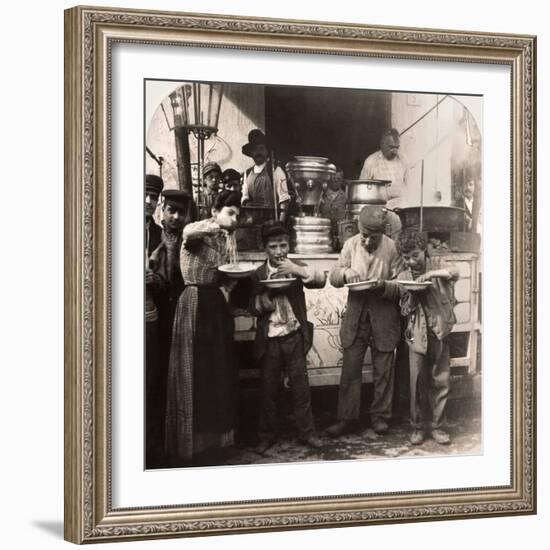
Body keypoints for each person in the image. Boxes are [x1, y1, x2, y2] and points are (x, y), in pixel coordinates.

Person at [164, 190, 241, 464]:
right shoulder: (197, 234)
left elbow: (229, 275)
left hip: (216, 307)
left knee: (218, 371)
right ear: (215, 212)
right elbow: (187, 232)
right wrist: (217, 223)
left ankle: (217, 442)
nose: (235, 219)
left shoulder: (226, 242)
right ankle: (191, 445)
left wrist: (228, 290)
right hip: (194, 303)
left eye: (237, 215)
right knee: (196, 370)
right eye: (230, 212)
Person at [249, 221, 326, 454]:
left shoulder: (296, 267)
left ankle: (307, 432)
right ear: (265, 249)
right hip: (271, 339)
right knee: (269, 391)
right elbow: (251, 306)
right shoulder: (259, 274)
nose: (280, 251)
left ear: (289, 245)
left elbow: (320, 280)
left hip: (294, 336)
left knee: (301, 390)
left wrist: (298, 270)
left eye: (283, 245)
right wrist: (264, 302)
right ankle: (266, 435)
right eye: (273, 246)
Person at [326, 205, 403, 437]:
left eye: (373, 237)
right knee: (350, 369)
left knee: (384, 371)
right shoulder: (350, 245)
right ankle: (346, 419)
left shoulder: (393, 248)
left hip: (384, 317)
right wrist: (345, 273)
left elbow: (402, 286)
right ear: (359, 230)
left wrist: (383, 287)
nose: (367, 241)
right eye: (364, 236)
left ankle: (380, 417)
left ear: (383, 232)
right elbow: (334, 275)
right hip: (356, 316)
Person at [395, 228, 459, 445]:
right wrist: (412, 296)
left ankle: (438, 426)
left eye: (416, 255)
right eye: (406, 258)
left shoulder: (437, 265)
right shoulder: (403, 276)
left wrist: (431, 275)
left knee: (441, 380)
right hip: (416, 335)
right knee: (417, 382)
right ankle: (418, 427)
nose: (412, 262)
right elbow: (404, 311)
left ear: (424, 251)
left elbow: (454, 273)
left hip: (440, 331)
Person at [146, 190, 193, 467]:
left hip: (182, 313)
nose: (176, 217)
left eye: (181, 213)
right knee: (157, 376)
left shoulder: (190, 239)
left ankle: (177, 440)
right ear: (162, 210)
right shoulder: (153, 237)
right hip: (158, 317)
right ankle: (155, 441)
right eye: (171, 211)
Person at [144, 173, 165, 464]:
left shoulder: (159, 234)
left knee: (150, 377)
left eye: (153, 198)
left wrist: (155, 279)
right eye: (145, 196)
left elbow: (165, 278)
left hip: (150, 314)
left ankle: (150, 444)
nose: (149, 202)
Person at [360, 128, 408, 239]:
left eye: (397, 147)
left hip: (400, 209)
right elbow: (362, 189)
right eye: (391, 147)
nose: (394, 151)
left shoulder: (403, 160)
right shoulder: (371, 161)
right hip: (378, 211)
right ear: (382, 144)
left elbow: (409, 185)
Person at [241, 129, 290, 223]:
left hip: (272, 222)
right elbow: (244, 198)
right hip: (254, 223)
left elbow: (284, 200)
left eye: (261, 149)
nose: (258, 153)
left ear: (267, 151)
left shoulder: (276, 171)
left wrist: (280, 224)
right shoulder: (247, 174)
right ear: (251, 153)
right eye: (255, 150)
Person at [319, 168, 346, 250]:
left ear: (342, 181)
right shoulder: (321, 194)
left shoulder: (346, 196)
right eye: (333, 178)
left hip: (340, 232)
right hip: (325, 231)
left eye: (338, 179)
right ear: (329, 179)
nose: (335, 181)